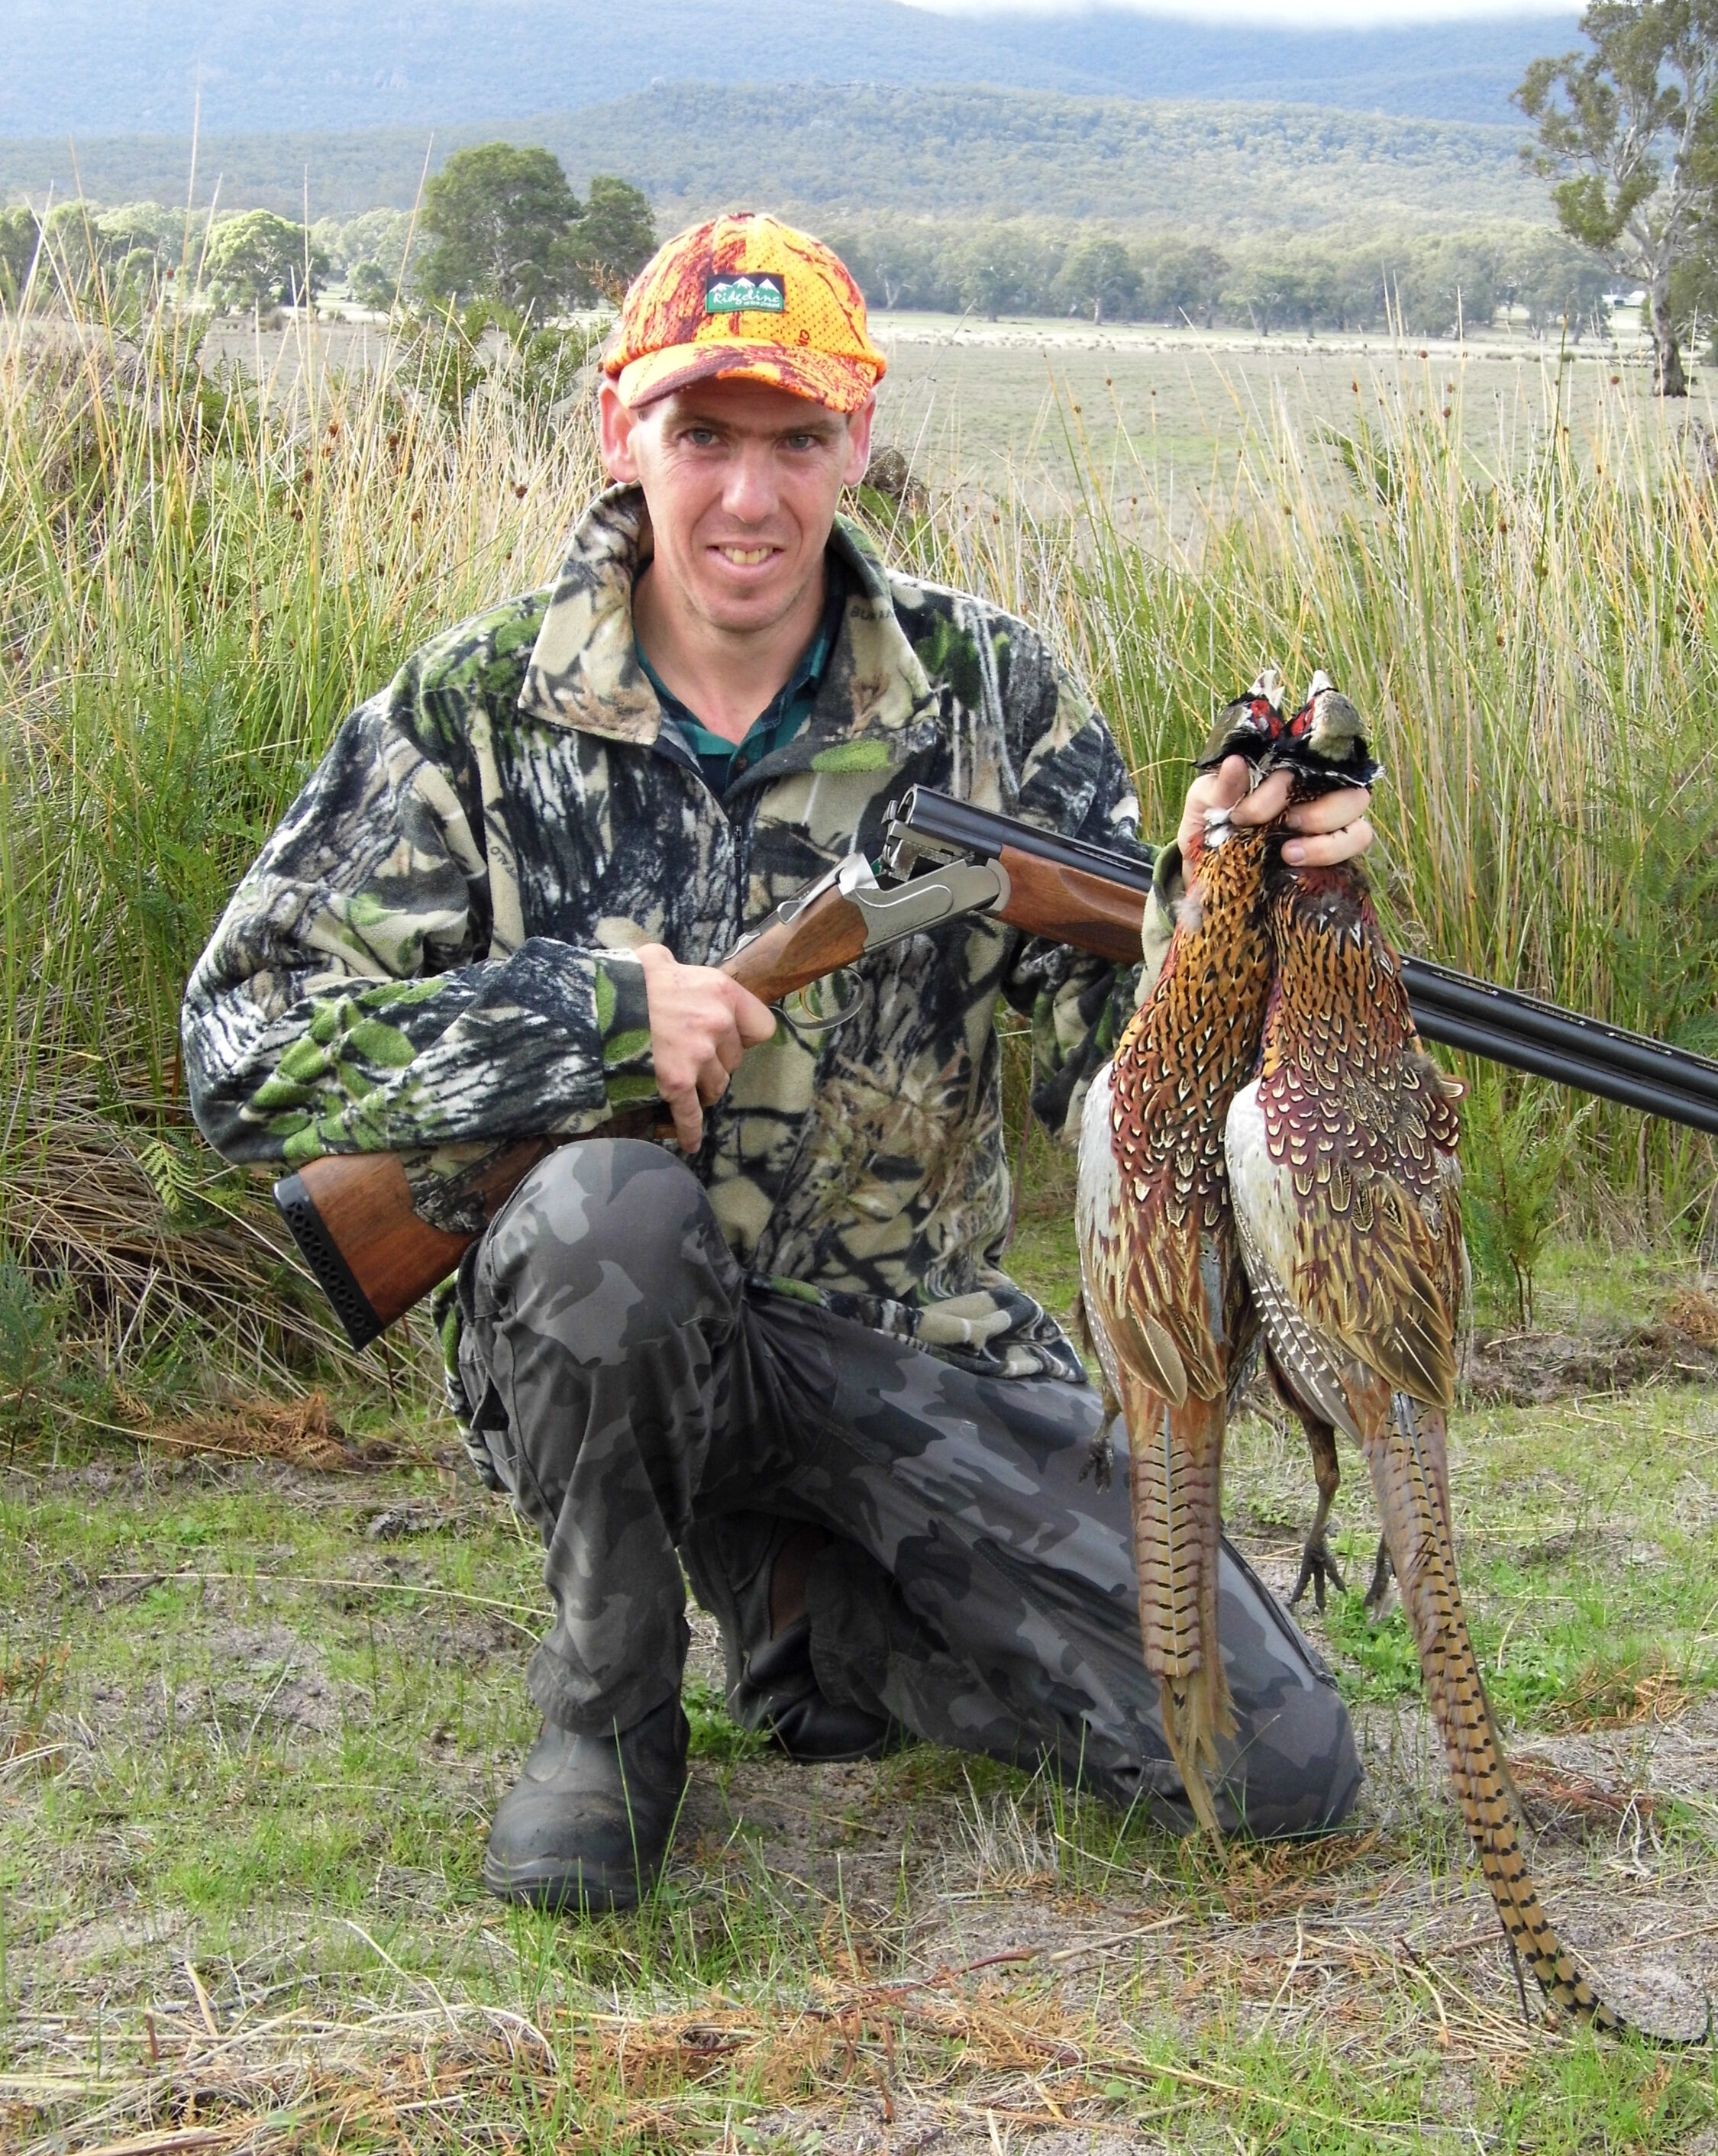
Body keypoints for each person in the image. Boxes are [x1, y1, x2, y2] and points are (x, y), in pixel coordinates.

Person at [183, 213, 1376, 1914]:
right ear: (621, 431)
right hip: (603, 1349)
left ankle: (818, 1626)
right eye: (704, 435)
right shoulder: (469, 714)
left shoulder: (993, 697)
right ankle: (605, 1719)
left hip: (913, 1348)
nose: (749, 497)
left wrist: (1241, 925)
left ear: (860, 440)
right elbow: (242, 1046)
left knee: (1280, 1773)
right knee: (607, 1212)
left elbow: (1107, 1094)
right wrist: (589, 1023)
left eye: (796, 439)